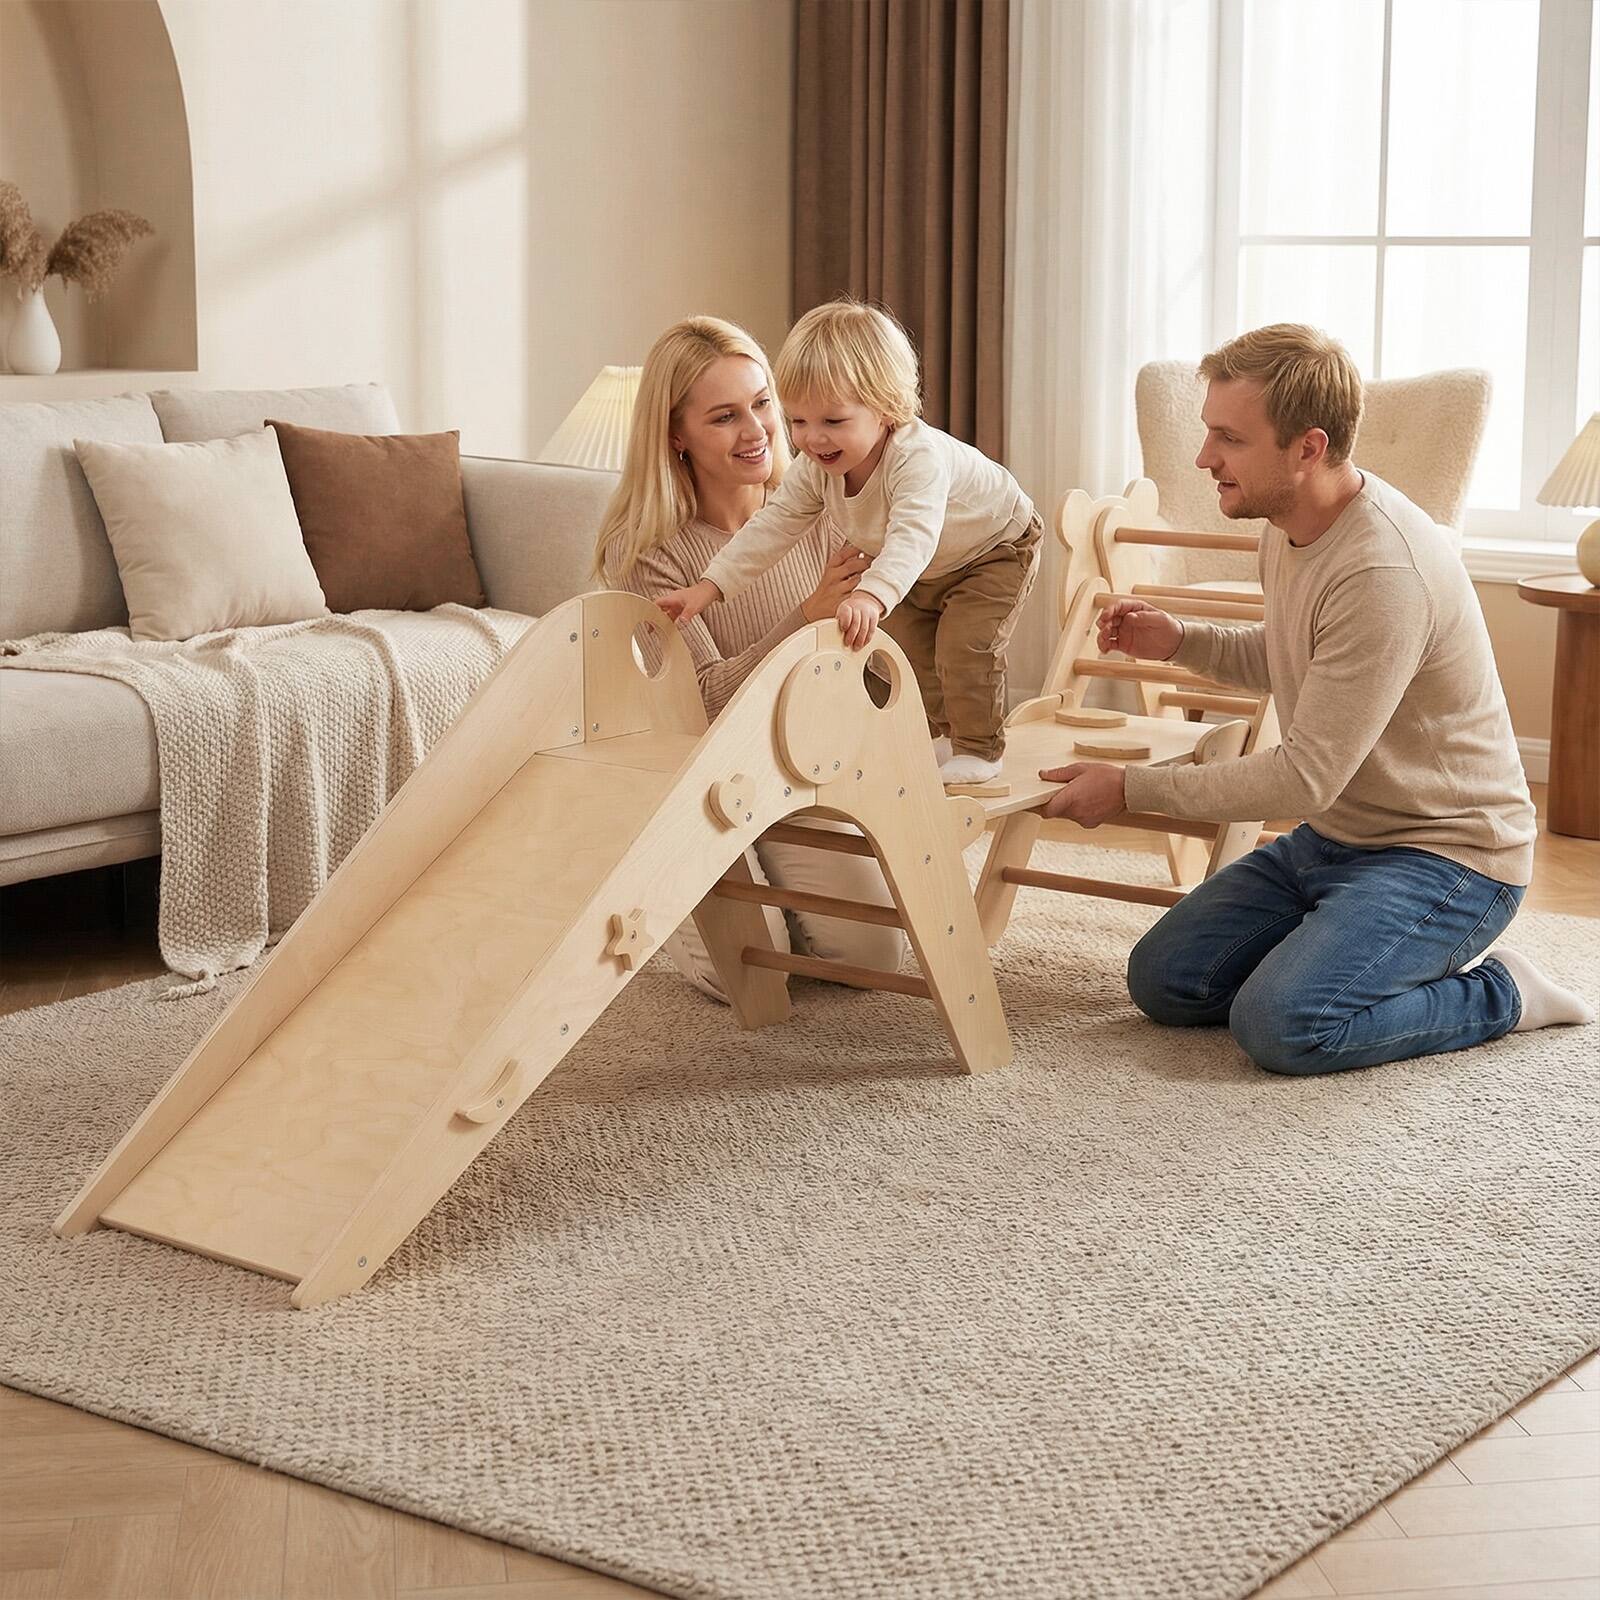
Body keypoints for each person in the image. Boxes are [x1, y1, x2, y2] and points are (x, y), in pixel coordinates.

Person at [1042, 323, 1593, 1074]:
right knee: (1166, 980)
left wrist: (1130, 788)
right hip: (1336, 839)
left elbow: (1304, 777)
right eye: (1209, 431)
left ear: (1308, 448)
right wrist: (1179, 639)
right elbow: (1294, 656)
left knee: (1283, 1025)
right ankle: (1349, 948)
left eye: (1229, 438)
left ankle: (1504, 994)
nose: (1204, 457)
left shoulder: (1382, 573)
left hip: (1449, 857)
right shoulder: (1288, 524)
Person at [594, 314, 907, 1000]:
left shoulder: (827, 507)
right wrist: (807, 617)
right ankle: (657, 873)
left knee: (873, 954)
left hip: (799, 767)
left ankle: (765, 880)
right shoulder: (648, 552)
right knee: (751, 971)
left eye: (763, 403)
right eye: (724, 417)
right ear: (676, 435)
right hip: (702, 776)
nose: (756, 430)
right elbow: (705, 700)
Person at [653, 299, 1042, 789]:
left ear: (885, 409)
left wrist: (870, 595)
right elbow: (772, 527)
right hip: (932, 562)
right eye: (798, 421)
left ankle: (980, 749)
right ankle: (949, 733)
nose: (812, 439)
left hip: (995, 548)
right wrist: (709, 587)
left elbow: (913, 536)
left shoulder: (917, 458)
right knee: (912, 649)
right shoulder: (819, 468)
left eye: (832, 422)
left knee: (965, 644)